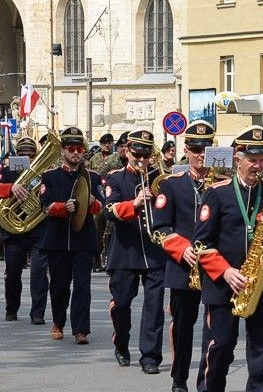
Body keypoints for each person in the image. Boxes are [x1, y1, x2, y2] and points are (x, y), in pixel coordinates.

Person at [193, 125, 263, 392]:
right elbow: (201, 243)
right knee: (222, 344)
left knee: (262, 347)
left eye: (262, 159)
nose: (257, 165)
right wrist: (225, 271)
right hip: (224, 283)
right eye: (252, 159)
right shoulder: (217, 194)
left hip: (262, 284)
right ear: (237, 158)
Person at [151, 120, 217, 392]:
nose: (201, 155)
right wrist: (182, 248)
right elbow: (160, 227)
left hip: (214, 266)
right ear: (186, 150)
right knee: (182, 326)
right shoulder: (172, 185)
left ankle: (207, 382)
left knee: (213, 329)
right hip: (183, 266)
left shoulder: (222, 185)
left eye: (206, 149)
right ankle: (179, 376)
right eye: (195, 149)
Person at [104, 129, 168, 373]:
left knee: (154, 306)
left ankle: (150, 357)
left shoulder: (160, 179)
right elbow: (109, 211)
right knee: (121, 304)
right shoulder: (116, 179)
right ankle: (121, 342)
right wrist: (135, 203)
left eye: (146, 156)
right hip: (125, 250)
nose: (141, 160)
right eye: (137, 155)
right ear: (127, 151)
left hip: (154, 252)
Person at [39, 127, 105, 344]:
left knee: (83, 287)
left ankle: (81, 330)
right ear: (63, 151)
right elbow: (45, 205)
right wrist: (63, 208)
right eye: (71, 148)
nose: (76, 152)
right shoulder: (50, 176)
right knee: (59, 287)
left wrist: (91, 203)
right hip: (58, 240)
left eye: (79, 149)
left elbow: (101, 206)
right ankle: (58, 322)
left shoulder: (93, 177)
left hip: (84, 240)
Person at [1, 136, 49, 324]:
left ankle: (38, 313)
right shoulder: (7, 172)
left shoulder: (44, 173)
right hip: (14, 230)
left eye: (30, 155)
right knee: (13, 272)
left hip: (38, 228)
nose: (27, 158)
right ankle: (11, 308)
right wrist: (11, 188)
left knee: (39, 271)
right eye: (22, 154)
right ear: (16, 156)